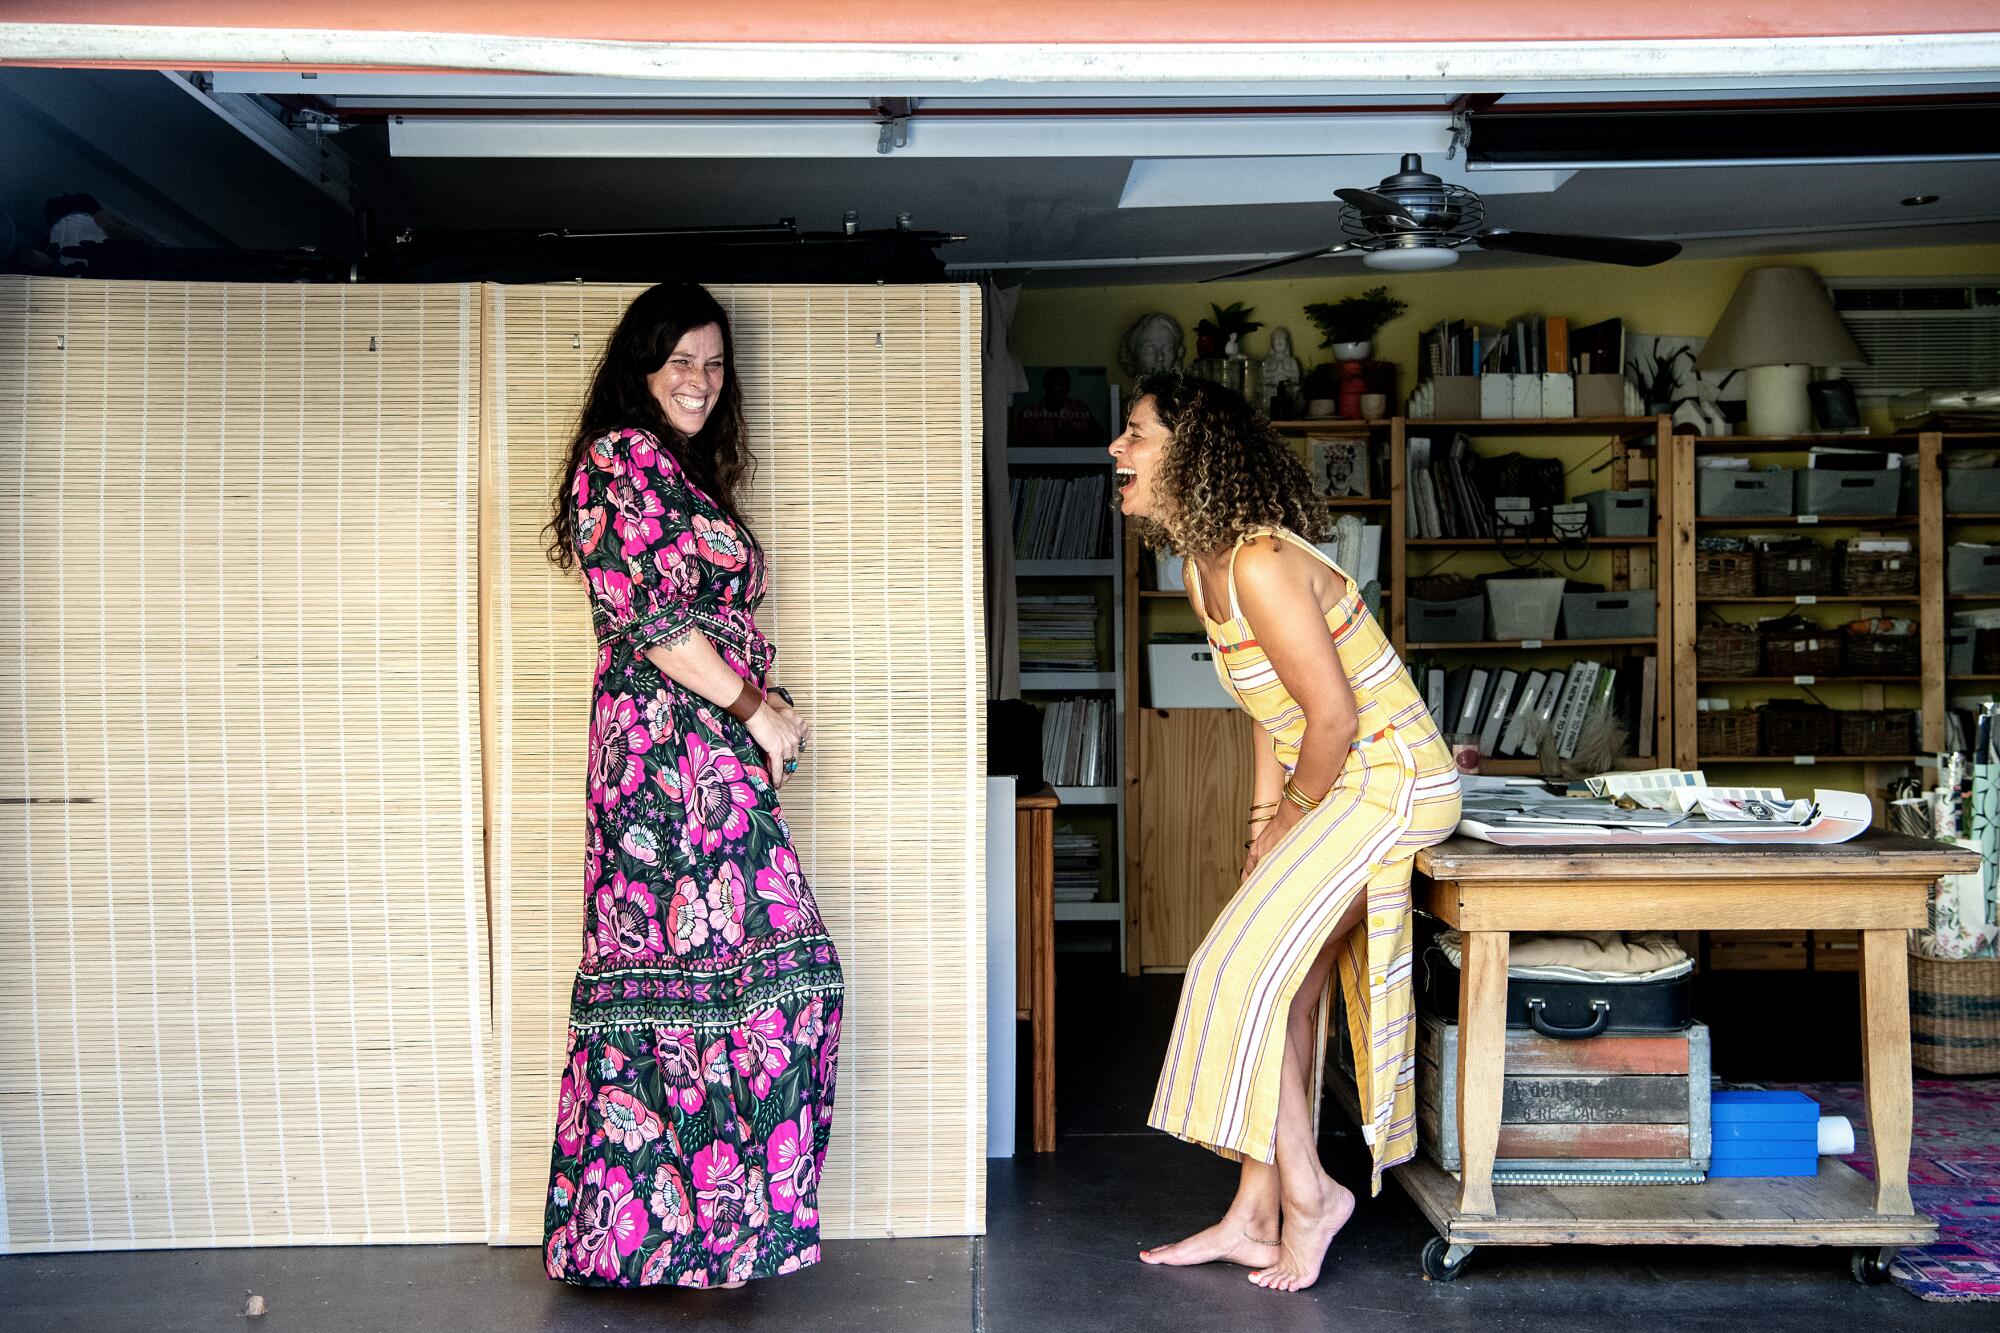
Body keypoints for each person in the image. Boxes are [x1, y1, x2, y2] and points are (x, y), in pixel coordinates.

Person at [1110, 373, 1460, 1293]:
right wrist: (1265, 825)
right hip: (1332, 783)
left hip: (1391, 781)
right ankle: (1251, 1213)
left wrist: (1293, 819)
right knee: (1286, 982)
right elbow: (1274, 713)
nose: (1118, 449)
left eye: (1135, 433)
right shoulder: (1202, 568)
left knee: (1235, 967)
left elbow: (1335, 717)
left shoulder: (1263, 560)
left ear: (1188, 453)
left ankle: (1309, 1196)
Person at [540, 282, 844, 1290]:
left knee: (746, 984)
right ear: (640, 366)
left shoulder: (680, 477)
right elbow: (653, 623)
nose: (699, 381)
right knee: (711, 984)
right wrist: (754, 706)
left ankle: (703, 1240)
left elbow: (707, 625)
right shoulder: (615, 461)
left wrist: (765, 709)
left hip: (706, 755)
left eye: (714, 364)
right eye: (679, 359)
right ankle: (666, 1241)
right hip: (660, 761)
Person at [1013, 366, 1104, 445]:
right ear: (1047, 385)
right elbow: (1020, 444)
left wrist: (1078, 432)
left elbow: (1098, 435)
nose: (1063, 389)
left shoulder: (1079, 407)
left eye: (1066, 385)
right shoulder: (1029, 413)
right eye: (1058, 384)